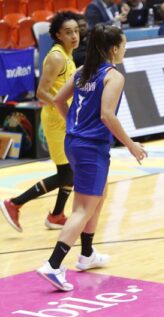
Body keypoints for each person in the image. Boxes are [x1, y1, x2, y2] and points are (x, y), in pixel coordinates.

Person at [35, 24, 147, 292]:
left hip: (74, 142)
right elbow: (107, 115)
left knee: (99, 196)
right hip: (90, 147)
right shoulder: (113, 76)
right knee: (82, 208)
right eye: (124, 45)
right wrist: (130, 145)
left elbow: (59, 102)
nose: (125, 49)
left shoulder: (83, 71)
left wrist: (73, 126)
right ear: (114, 48)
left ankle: (86, 255)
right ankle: (53, 264)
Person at [1, 12, 80, 233]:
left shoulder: (68, 55)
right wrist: (63, 108)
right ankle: (15, 203)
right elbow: (42, 92)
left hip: (65, 119)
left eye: (76, 31)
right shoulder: (56, 57)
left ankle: (56, 216)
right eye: (68, 32)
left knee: (71, 171)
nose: (74, 35)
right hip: (56, 121)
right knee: (66, 173)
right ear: (57, 35)